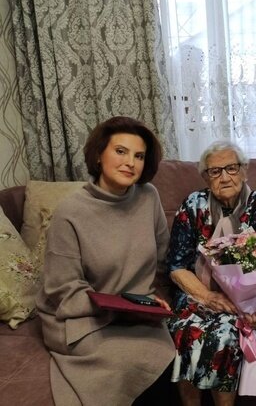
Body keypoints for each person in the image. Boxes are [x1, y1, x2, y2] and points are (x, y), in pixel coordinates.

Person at [35, 116, 175, 405]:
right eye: (120, 151)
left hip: (138, 312)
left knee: (166, 358)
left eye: (139, 156)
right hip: (83, 318)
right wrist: (118, 305)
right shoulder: (70, 212)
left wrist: (155, 299)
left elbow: (163, 259)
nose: (130, 163)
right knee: (127, 361)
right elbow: (62, 289)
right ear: (99, 155)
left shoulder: (149, 197)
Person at [166, 140, 256, 406]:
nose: (225, 177)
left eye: (231, 168)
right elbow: (176, 266)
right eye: (215, 171)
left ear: (244, 170)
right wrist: (207, 296)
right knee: (184, 332)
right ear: (206, 177)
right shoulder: (193, 205)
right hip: (198, 293)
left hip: (245, 301)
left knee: (224, 336)